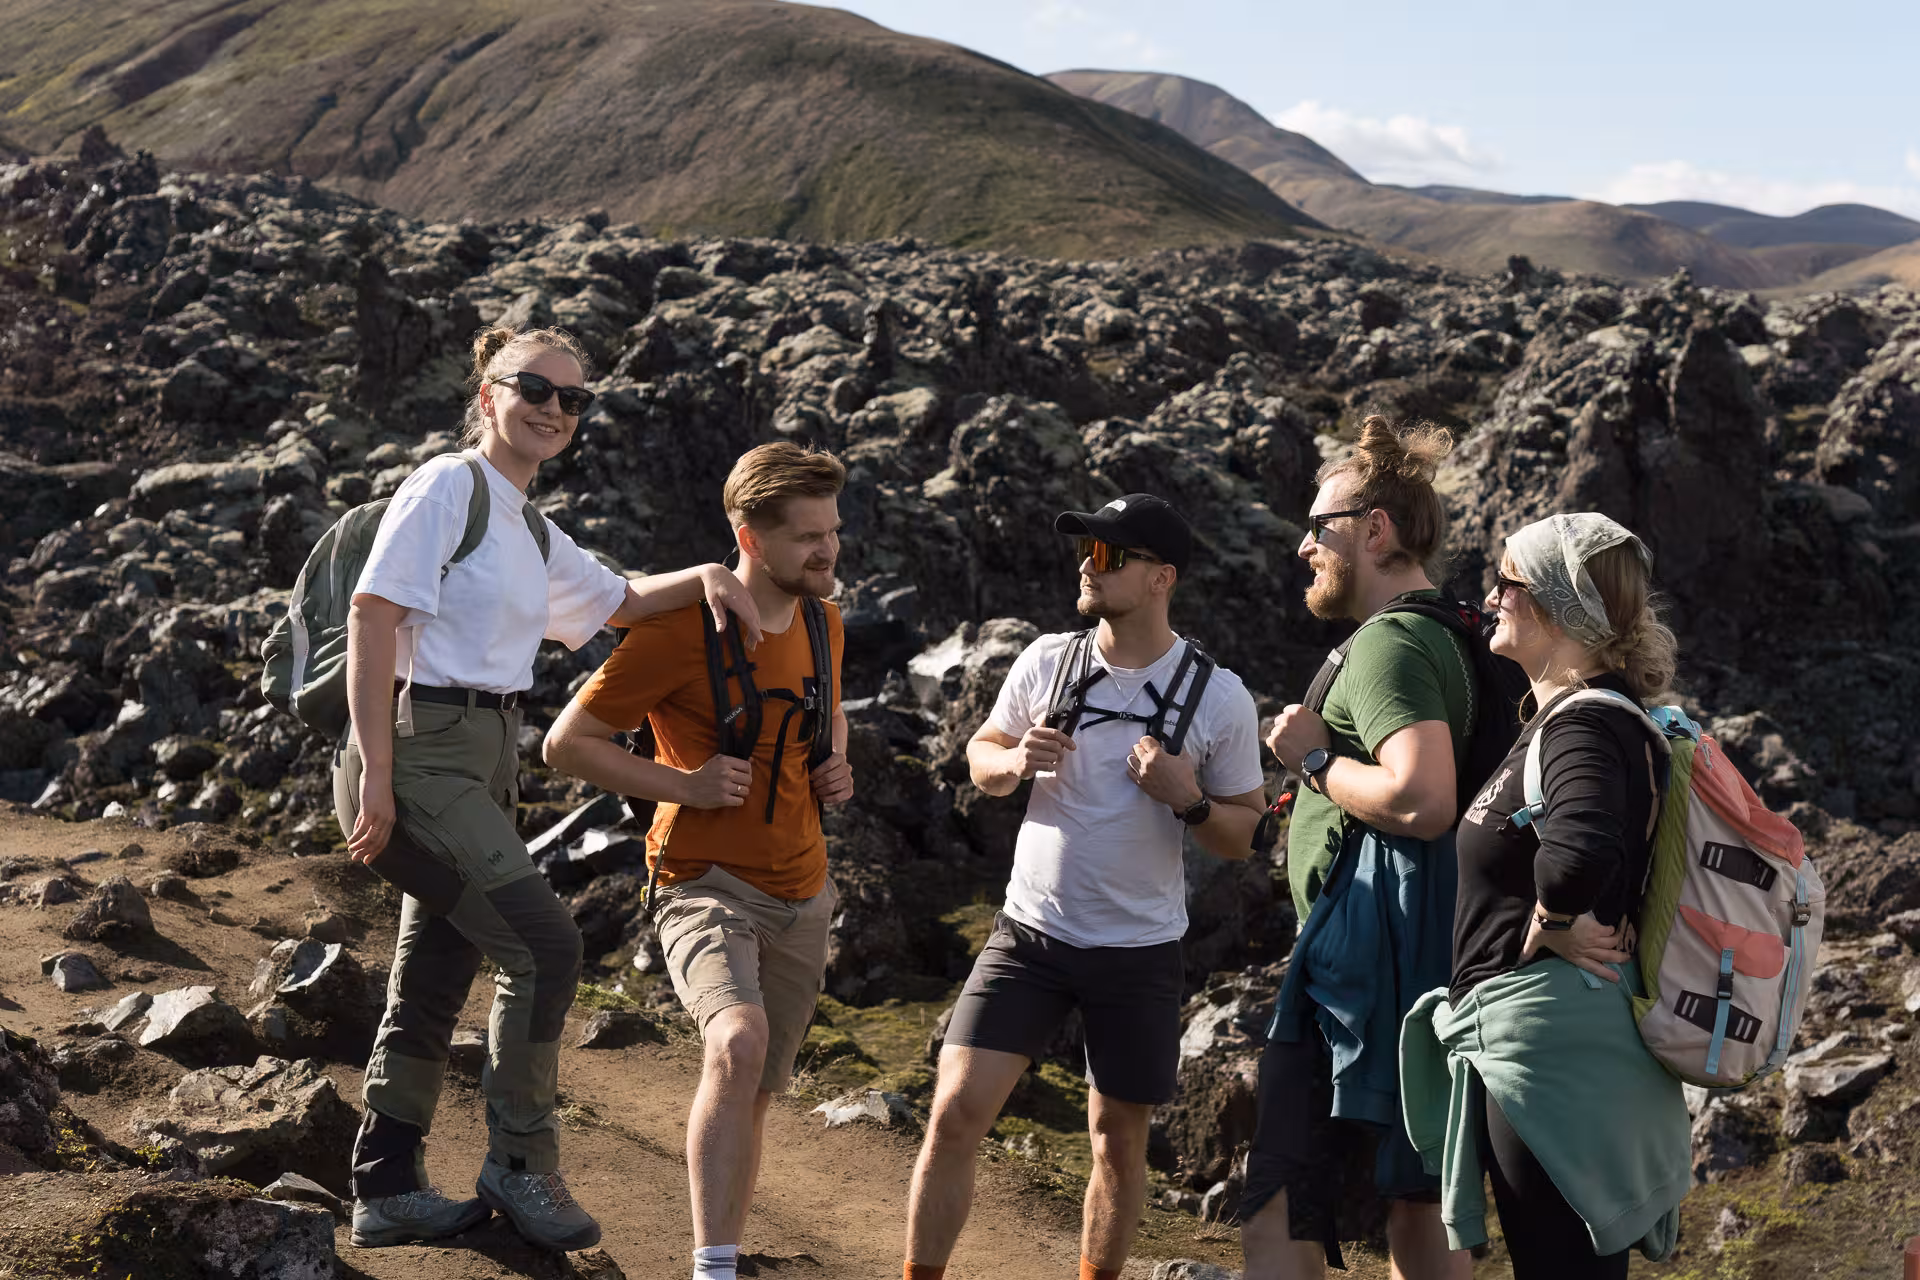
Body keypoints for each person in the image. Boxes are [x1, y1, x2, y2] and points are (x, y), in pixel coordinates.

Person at [336, 325, 762, 1251]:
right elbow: (374, 618)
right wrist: (374, 773)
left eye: (574, 398)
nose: (555, 409)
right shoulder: (450, 486)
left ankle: (383, 1185)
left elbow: (618, 600)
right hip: (419, 747)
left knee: (441, 963)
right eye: (534, 387)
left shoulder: (524, 521)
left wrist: (711, 575)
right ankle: (520, 1165)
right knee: (545, 947)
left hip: (487, 751)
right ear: (487, 394)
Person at [902, 494, 1267, 1280]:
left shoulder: (1219, 696)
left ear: (1162, 577)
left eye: (1107, 555)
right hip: (1028, 937)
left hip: (1138, 953)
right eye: (1085, 550)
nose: (1085, 565)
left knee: (1116, 1141)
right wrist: (1010, 763)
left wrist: (1188, 797)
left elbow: (1242, 832)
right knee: (956, 1113)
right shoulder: (1047, 660)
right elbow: (983, 753)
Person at [542, 442, 852, 1280]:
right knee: (737, 1044)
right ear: (748, 536)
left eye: (832, 531)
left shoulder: (826, 620)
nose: (826, 551)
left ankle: (728, 1250)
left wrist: (837, 760)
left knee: (754, 1088)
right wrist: (680, 781)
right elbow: (568, 744)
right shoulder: (682, 630)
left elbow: (826, 708)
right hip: (702, 882)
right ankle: (711, 1268)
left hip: (805, 890)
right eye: (806, 538)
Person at [1400, 513, 1691, 1276]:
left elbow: (1582, 847)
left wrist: (1551, 916)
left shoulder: (1584, 725)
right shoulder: (1575, 719)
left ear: (1560, 607)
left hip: (1552, 1055)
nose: (1492, 597)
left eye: (1509, 583)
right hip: (1553, 1045)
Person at [1245, 418, 1473, 1280]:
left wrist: (1311, 759)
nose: (1304, 546)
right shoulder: (1453, 628)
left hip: (1375, 960)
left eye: (1320, 527)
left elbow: (1422, 797)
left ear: (1375, 530)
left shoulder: (1387, 644)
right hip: (1423, 945)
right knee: (1419, 1196)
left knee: (1282, 1194)